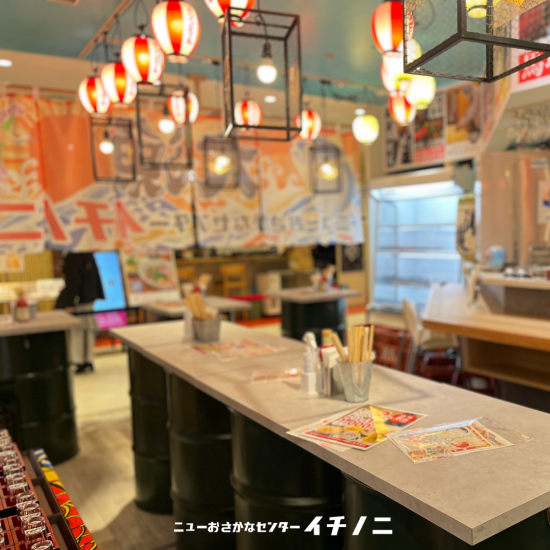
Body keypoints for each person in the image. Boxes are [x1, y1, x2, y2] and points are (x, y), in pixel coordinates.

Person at [55, 252, 105, 374]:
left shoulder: (73, 254)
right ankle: (88, 359)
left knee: (78, 330)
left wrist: (70, 302)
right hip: (89, 297)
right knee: (87, 329)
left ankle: (80, 361)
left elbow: (73, 279)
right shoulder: (86, 252)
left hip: (80, 299)